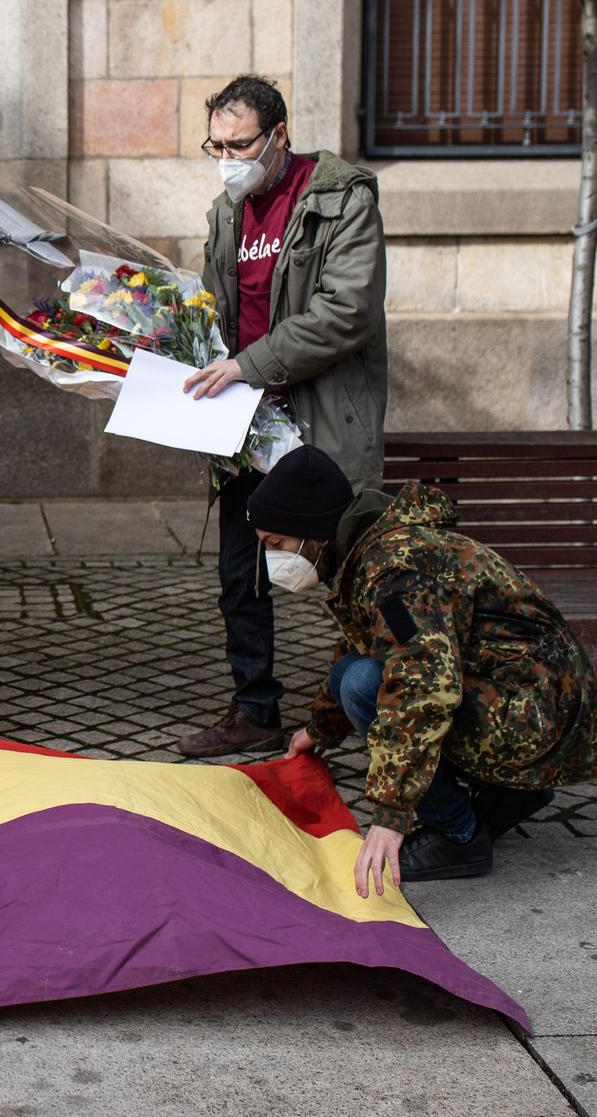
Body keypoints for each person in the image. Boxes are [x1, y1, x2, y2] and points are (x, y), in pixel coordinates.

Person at [248, 446, 597, 893]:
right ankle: (508, 796)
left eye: (277, 545)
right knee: (351, 672)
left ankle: (459, 836)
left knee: (364, 684)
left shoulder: (395, 568)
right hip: (532, 700)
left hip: (539, 716)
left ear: (314, 532)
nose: (272, 562)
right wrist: (320, 731)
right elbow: (369, 644)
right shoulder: (370, 552)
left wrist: (390, 816)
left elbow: (422, 688)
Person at [174, 75, 389, 758]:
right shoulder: (225, 213)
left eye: (241, 144)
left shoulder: (340, 202)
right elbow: (214, 311)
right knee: (242, 573)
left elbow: (346, 311)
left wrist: (250, 364)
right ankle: (254, 707)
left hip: (319, 419)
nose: (227, 159)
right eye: (216, 145)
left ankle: (379, 700)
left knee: (347, 570)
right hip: (244, 423)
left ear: (280, 137)